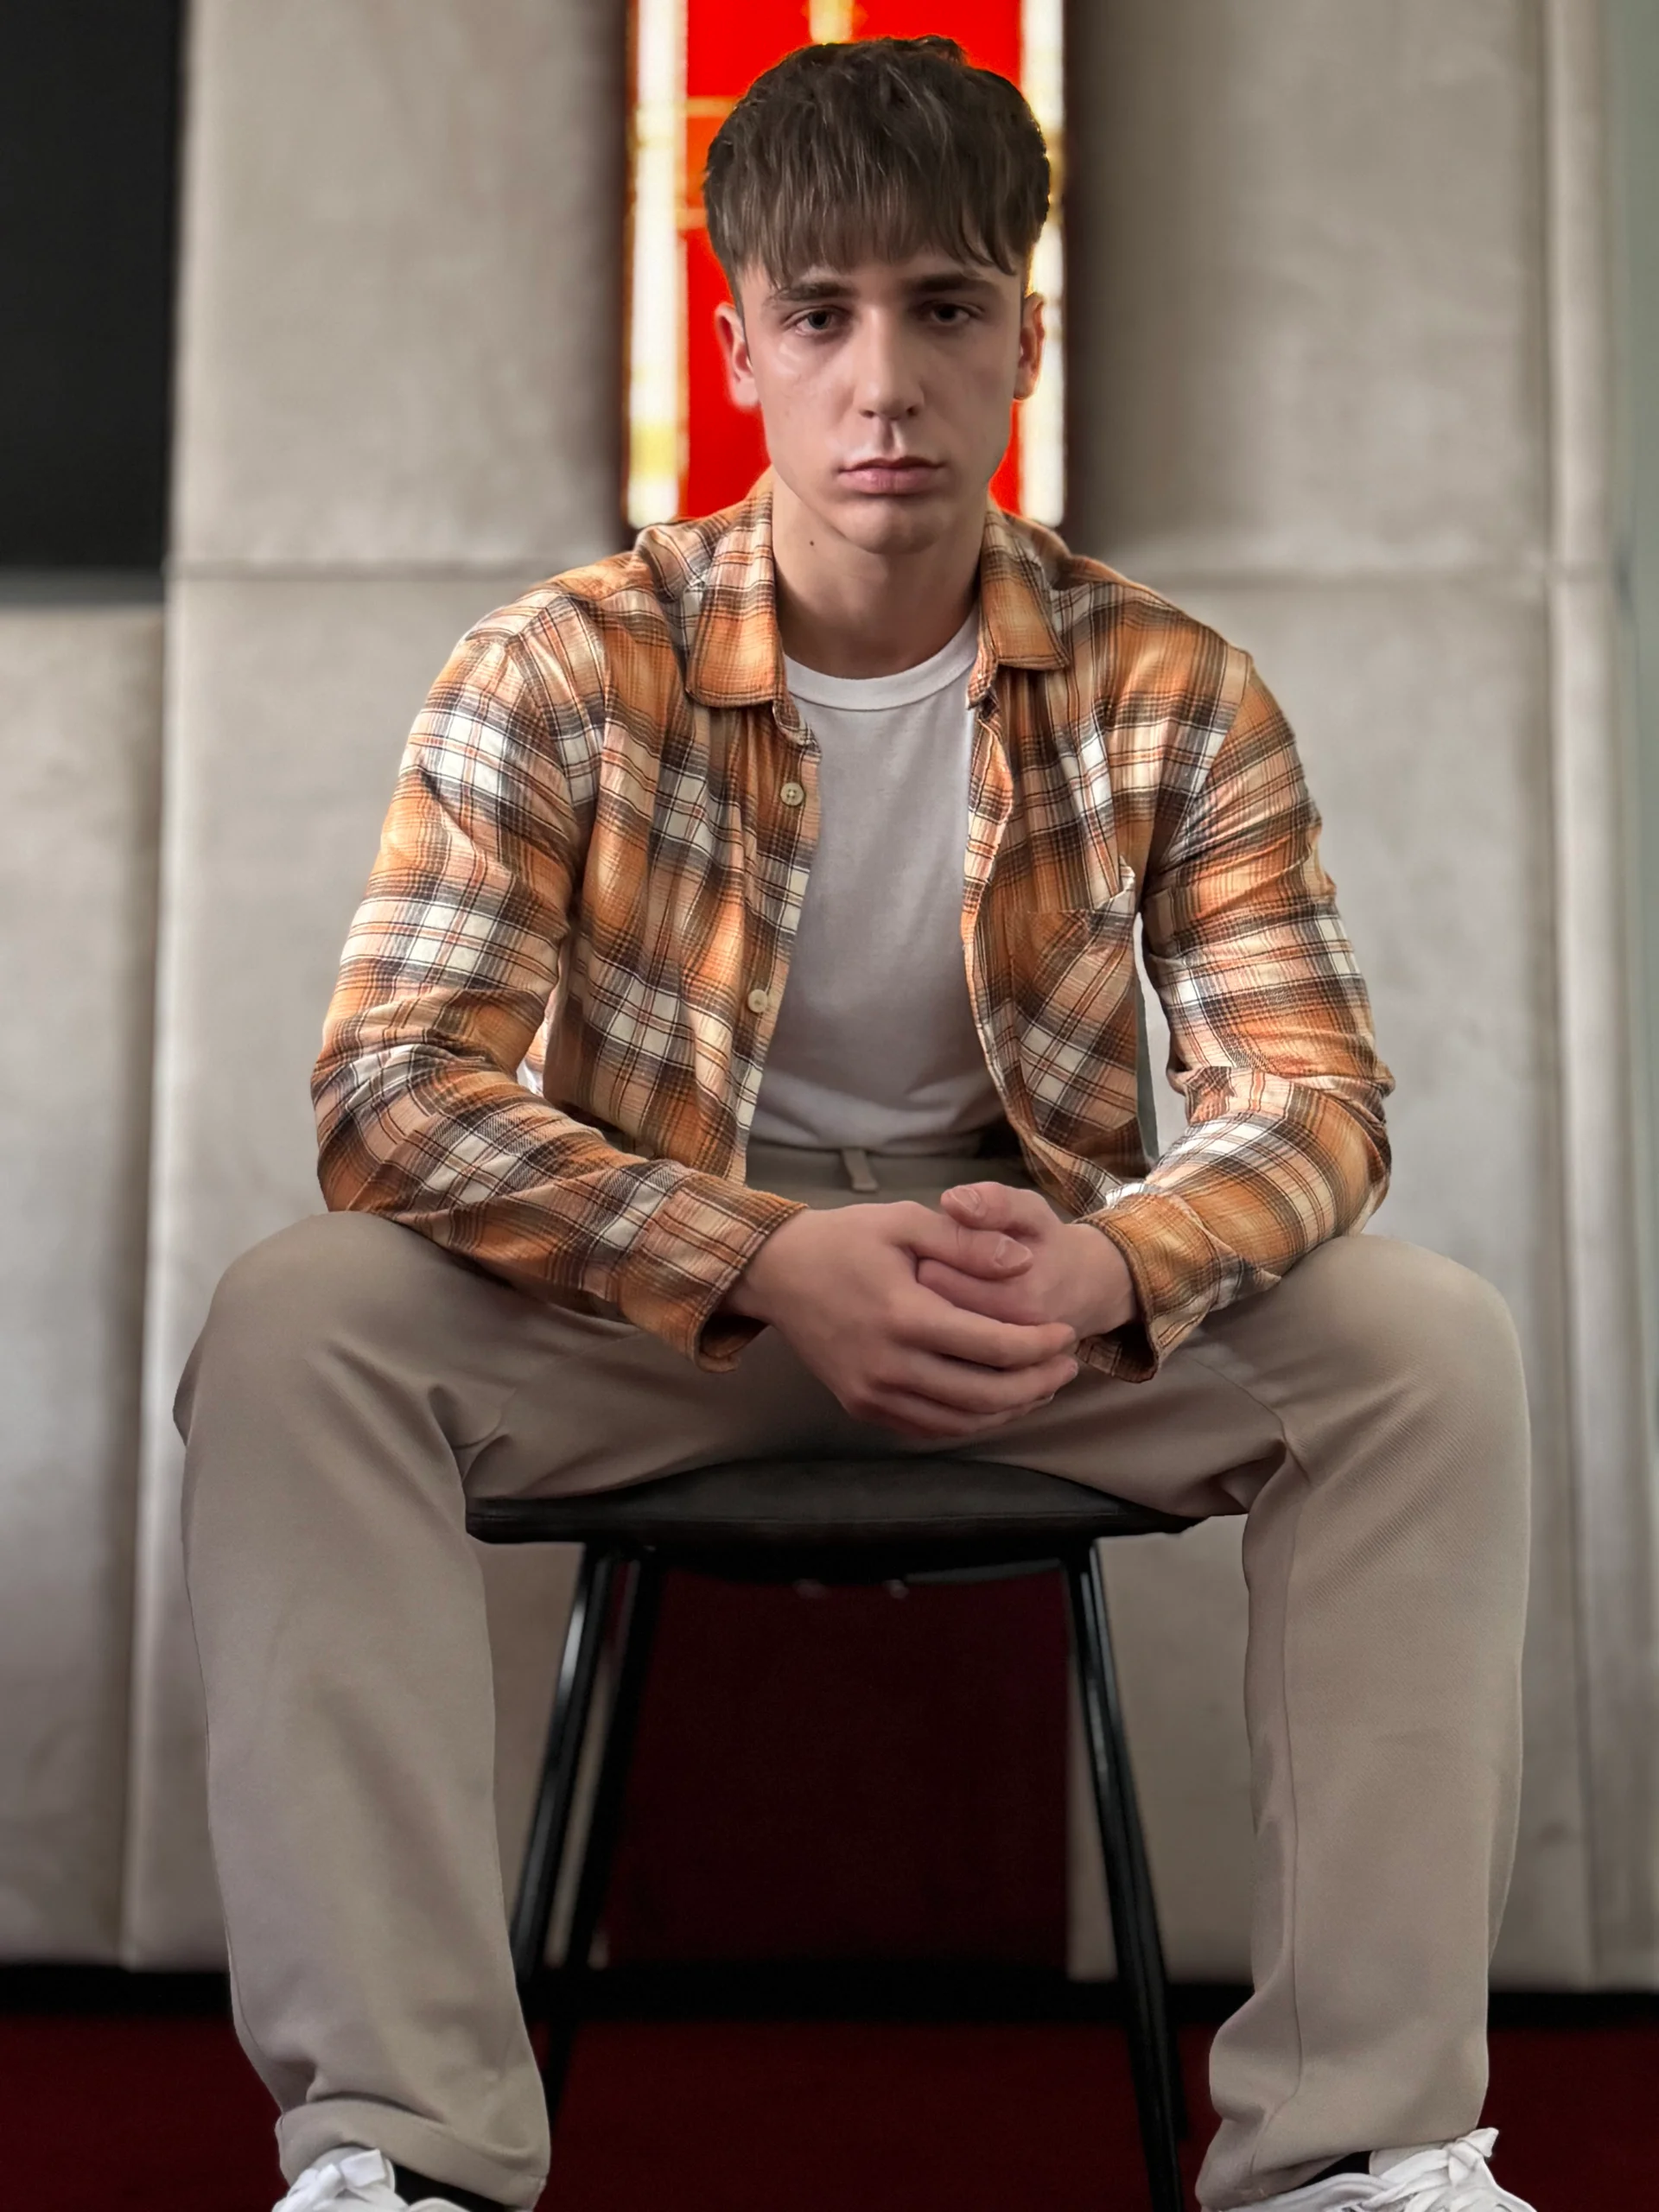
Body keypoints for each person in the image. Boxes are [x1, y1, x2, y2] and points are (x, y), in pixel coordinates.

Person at [175, 35, 1535, 2212]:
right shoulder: (558, 665)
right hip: (667, 1297)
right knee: (296, 1321)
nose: (883, 380)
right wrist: (757, 1252)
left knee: (1428, 1345)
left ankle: (1358, 2146)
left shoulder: (1173, 685)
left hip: (1026, 1303)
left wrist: (1113, 1261)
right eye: (820, 315)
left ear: (1024, 338)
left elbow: (1313, 1093)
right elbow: (394, 1087)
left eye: (943, 306)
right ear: (741, 350)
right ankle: (396, 2150)